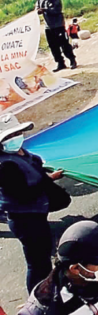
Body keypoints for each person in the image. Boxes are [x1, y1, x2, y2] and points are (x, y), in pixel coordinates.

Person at [0, 114, 70, 293]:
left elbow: (34, 168)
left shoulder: (22, 153)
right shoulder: (5, 165)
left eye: (16, 133)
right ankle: (38, 298)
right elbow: (23, 194)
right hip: (24, 219)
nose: (14, 139)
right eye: (8, 137)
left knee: (43, 255)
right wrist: (48, 179)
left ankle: (49, 290)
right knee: (37, 263)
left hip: (36, 215)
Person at [32, 0, 77, 72]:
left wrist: (45, 10)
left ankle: (72, 60)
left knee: (64, 44)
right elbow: (37, 6)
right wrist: (37, 9)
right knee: (53, 46)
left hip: (58, 25)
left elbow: (57, 10)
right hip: (48, 27)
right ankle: (60, 63)